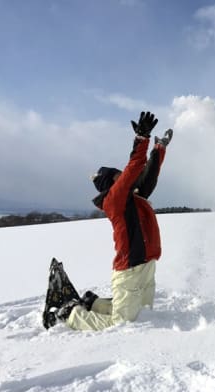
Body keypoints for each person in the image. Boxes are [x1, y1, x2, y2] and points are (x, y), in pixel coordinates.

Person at [55, 111, 173, 330]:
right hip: (128, 270)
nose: (123, 177)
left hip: (147, 265)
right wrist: (141, 140)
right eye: (118, 176)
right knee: (123, 322)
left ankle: (93, 302)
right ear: (111, 184)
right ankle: (71, 314)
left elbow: (149, 176)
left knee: (142, 314)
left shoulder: (133, 196)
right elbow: (134, 168)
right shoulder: (115, 200)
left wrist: (159, 148)